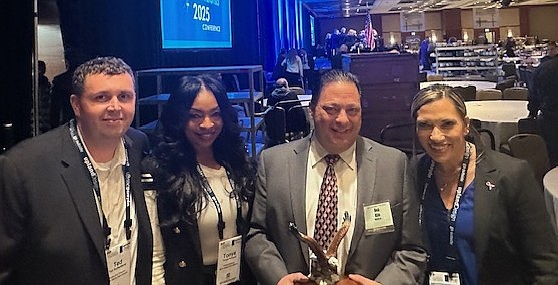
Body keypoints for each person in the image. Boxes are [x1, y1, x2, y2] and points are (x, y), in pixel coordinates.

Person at [245, 70, 427, 285]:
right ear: (312, 111)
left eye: (352, 110)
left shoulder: (393, 164)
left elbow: (412, 250)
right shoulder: (273, 162)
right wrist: (279, 278)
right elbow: (257, 235)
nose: (342, 120)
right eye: (331, 109)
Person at [0, 56, 165, 284]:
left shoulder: (138, 145)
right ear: (76, 105)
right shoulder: (22, 167)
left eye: (124, 96)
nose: (115, 106)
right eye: (101, 97)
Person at [411, 84, 558, 285]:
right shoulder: (414, 171)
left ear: (465, 125)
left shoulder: (511, 175)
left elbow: (545, 264)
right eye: (425, 125)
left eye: (447, 124)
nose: (435, 136)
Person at [142, 74, 256, 285]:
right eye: (195, 116)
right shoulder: (159, 170)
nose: (207, 124)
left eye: (215, 114)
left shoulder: (237, 162)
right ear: (179, 118)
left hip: (239, 278)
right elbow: (155, 254)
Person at [528, 51, 558, 167]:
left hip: (549, 119)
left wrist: (532, 113)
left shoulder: (544, 67)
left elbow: (533, 95)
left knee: (551, 156)